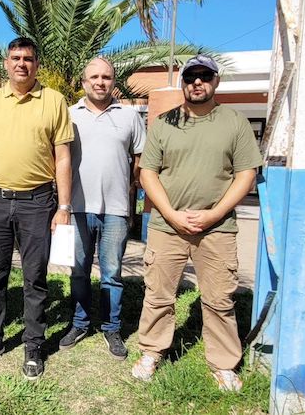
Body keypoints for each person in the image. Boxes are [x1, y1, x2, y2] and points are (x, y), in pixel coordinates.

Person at [132, 54, 262, 391]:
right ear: (183, 82)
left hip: (217, 228)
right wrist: (173, 215)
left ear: (216, 81)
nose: (197, 82)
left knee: (219, 299)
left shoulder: (234, 123)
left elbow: (246, 174)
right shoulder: (164, 123)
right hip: (166, 226)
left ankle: (223, 364)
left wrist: (215, 213)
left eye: (205, 76)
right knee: (158, 294)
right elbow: (148, 173)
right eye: (191, 76)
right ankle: (152, 351)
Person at [0, 37, 74, 380]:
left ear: (36, 63)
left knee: (35, 278)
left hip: (38, 202)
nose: (21, 64)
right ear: (6, 62)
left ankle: (33, 346)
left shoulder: (54, 101)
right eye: (15, 58)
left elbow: (63, 159)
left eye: (28, 58)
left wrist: (64, 206)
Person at [58, 57, 145, 359]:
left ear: (114, 81)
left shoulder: (130, 116)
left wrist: (133, 204)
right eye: (94, 77)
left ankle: (111, 327)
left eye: (106, 77)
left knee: (112, 274)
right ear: (83, 82)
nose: (100, 82)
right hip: (77, 208)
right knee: (78, 272)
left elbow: (139, 163)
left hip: (116, 211)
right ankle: (80, 323)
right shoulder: (68, 116)